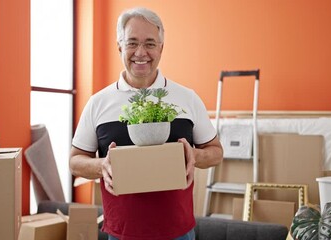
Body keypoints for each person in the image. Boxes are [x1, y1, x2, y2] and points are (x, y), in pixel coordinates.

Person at [69, 7, 223, 240]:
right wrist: (103, 166)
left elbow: (216, 152)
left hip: (178, 233)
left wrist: (194, 155)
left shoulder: (187, 98)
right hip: (122, 234)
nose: (140, 52)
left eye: (150, 43)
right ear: (119, 46)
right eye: (132, 43)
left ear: (161, 47)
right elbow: (75, 161)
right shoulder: (98, 103)